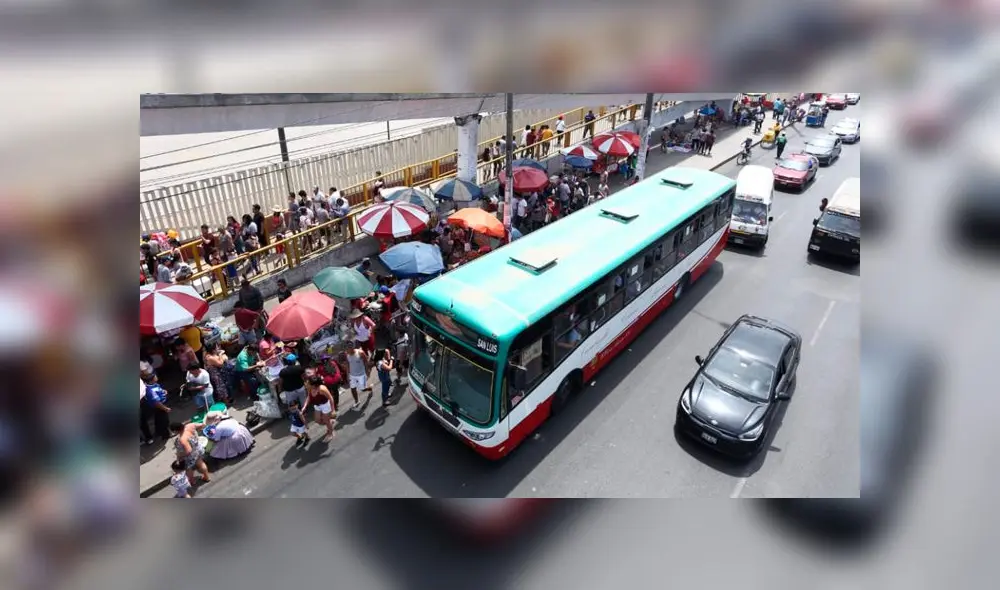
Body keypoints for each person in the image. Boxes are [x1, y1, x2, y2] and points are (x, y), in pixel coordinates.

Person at [304, 375, 336, 442]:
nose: (306, 383)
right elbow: (309, 397)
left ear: (313, 385)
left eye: (308, 382)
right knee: (317, 420)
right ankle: (330, 423)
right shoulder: (309, 388)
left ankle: (331, 433)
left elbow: (330, 398)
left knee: (326, 421)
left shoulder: (322, 389)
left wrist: (333, 410)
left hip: (325, 405)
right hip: (317, 405)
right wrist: (304, 406)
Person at [141, 373, 171, 443]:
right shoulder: (150, 390)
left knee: (158, 419)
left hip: (161, 404)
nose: (157, 377)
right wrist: (165, 408)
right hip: (159, 407)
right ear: (151, 380)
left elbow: (160, 390)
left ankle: (158, 432)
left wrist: (164, 391)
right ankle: (165, 435)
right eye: (155, 376)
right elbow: (156, 403)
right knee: (164, 421)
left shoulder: (155, 384)